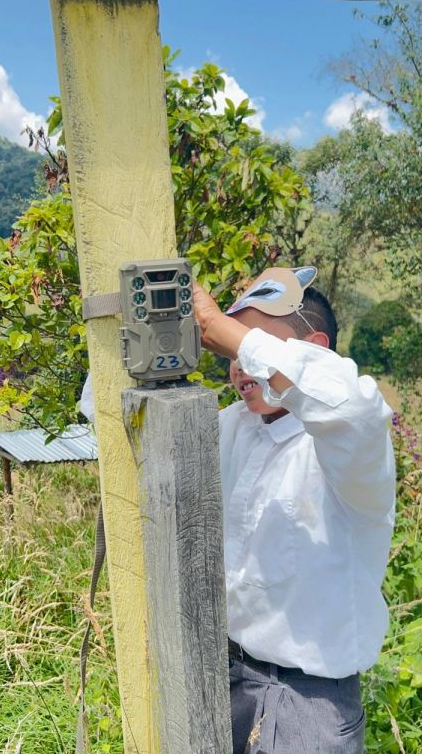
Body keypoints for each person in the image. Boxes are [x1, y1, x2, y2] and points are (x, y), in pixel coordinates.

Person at [192, 266, 395, 754]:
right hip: (228, 680)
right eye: (233, 350)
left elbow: (352, 404)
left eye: (253, 342)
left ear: (313, 349)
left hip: (310, 705)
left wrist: (232, 335)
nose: (239, 361)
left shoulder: (348, 449)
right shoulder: (233, 428)